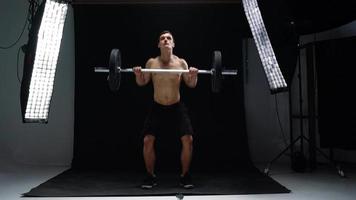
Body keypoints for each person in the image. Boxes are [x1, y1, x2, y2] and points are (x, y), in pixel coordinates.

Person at [133, 30, 198, 189]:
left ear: (173, 44)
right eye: (162, 38)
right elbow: (142, 83)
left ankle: (185, 176)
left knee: (188, 140)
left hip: (177, 106)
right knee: (147, 140)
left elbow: (191, 84)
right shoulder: (151, 63)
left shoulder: (181, 63)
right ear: (158, 44)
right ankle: (150, 176)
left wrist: (194, 75)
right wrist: (137, 74)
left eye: (169, 38)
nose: (165, 40)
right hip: (157, 106)